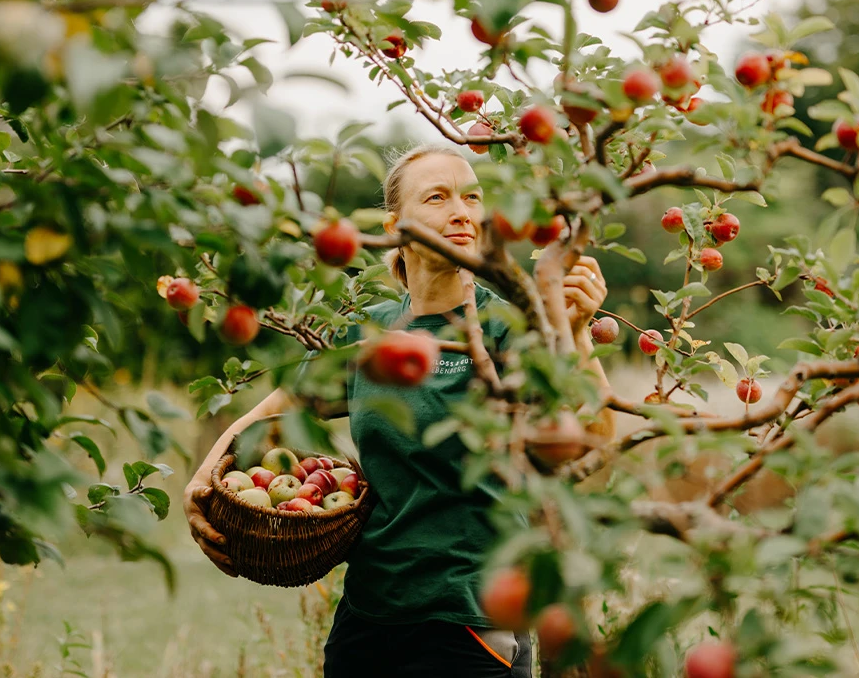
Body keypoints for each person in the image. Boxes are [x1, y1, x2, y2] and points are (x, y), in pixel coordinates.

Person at [182, 144, 612, 677]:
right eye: (438, 196)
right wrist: (202, 480)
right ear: (395, 227)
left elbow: (590, 446)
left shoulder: (511, 327)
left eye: (472, 197)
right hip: (369, 616)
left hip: (472, 621)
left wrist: (575, 335)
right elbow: (279, 406)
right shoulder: (372, 329)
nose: (462, 211)